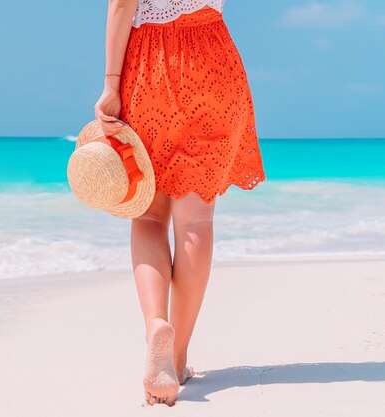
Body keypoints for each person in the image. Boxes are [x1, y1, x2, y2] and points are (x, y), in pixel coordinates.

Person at [93, 0, 266, 407]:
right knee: (196, 221)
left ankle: (157, 324)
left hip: (152, 65)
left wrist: (111, 83)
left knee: (149, 214)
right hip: (214, 59)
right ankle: (178, 354)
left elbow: (122, 4)